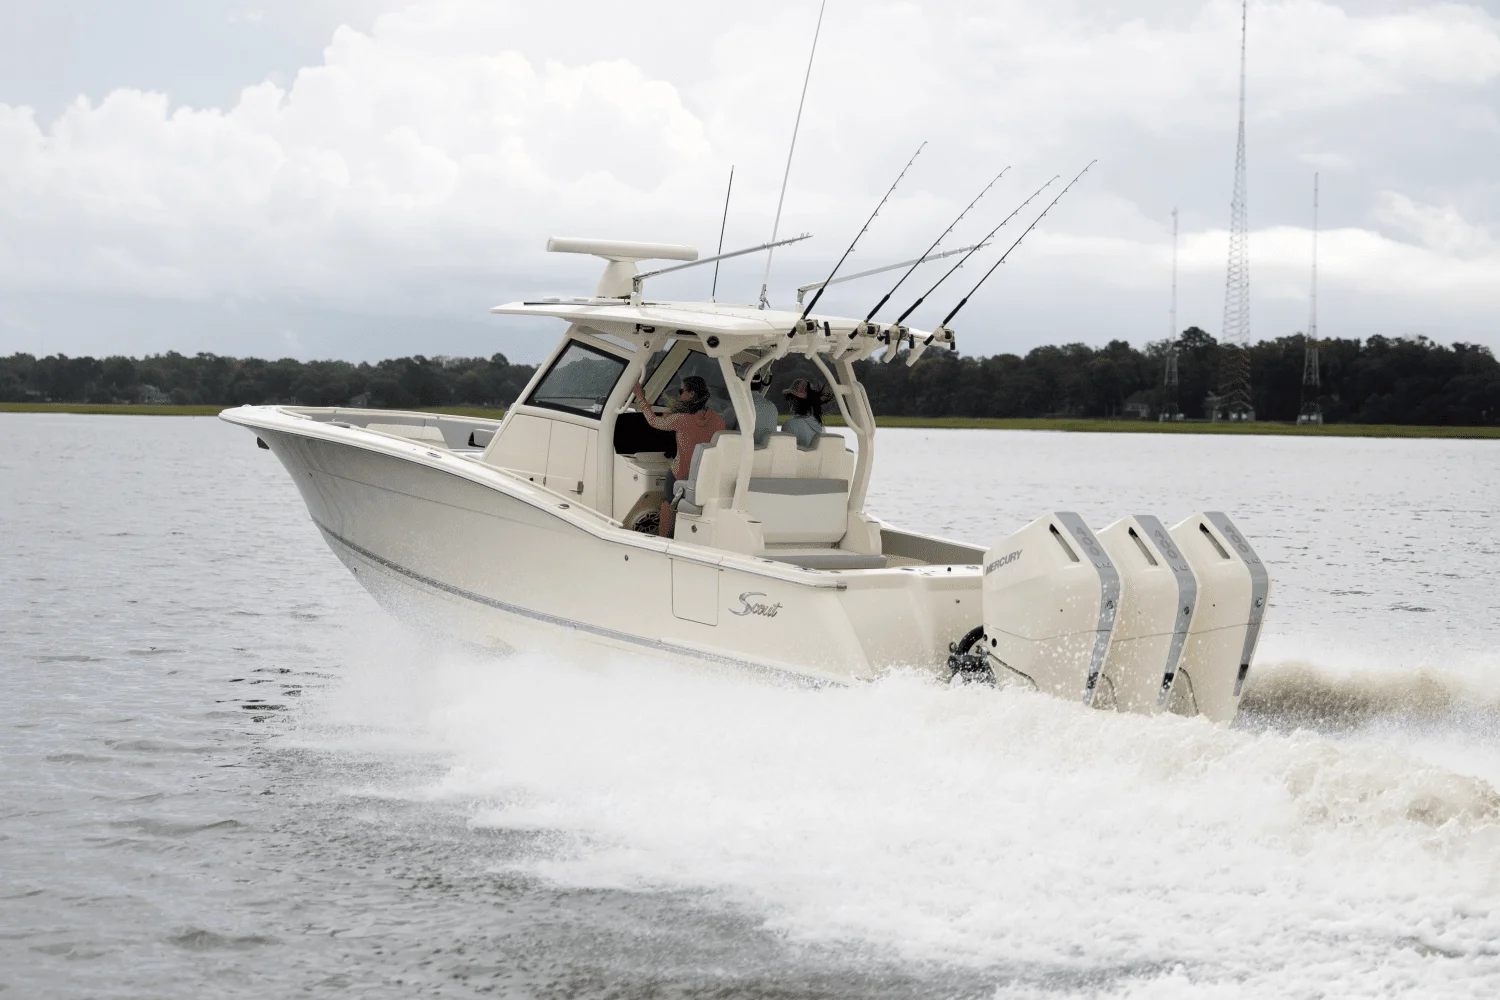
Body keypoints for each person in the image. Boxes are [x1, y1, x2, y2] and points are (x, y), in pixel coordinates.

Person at [631, 374, 725, 537]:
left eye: (682, 391)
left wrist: (640, 398)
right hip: (703, 477)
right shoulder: (719, 420)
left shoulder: (681, 419)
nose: (679, 395)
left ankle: (663, 537)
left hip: (680, 474)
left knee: (668, 503)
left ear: (692, 394)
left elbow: (654, 421)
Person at [721, 372, 780, 447]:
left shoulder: (736, 406)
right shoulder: (772, 407)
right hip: (764, 453)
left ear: (740, 383)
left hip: (741, 452)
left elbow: (722, 432)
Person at [781, 377, 834, 449]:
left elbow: (785, 452)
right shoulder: (820, 426)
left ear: (794, 401)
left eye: (790, 398)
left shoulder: (789, 425)